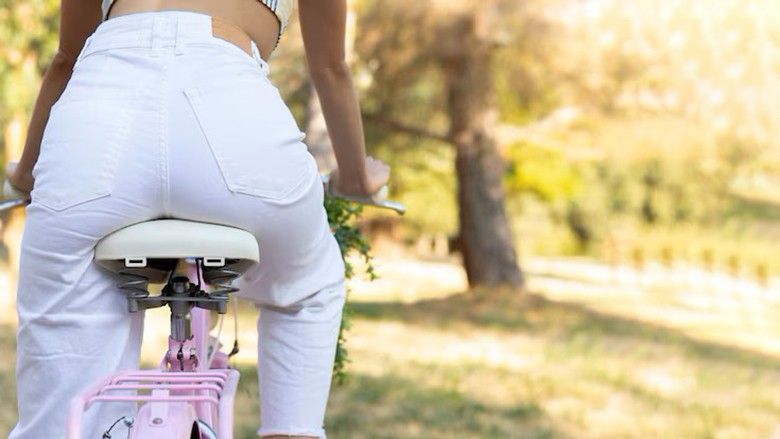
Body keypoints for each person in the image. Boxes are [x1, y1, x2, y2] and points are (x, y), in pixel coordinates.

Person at [5, 0, 390, 437]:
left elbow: (67, 59)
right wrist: (357, 178)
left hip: (97, 118)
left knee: (61, 396)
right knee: (306, 289)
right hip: (233, 114)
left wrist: (24, 177)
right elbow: (331, 66)